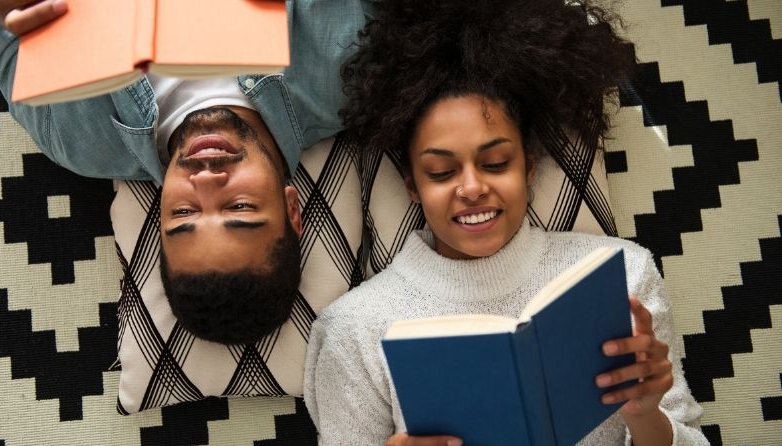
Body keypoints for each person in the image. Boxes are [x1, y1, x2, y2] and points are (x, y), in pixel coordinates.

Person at [304, 0, 710, 445]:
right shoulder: (355, 331)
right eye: (441, 172)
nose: (472, 187)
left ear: (529, 169)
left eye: (496, 162)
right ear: (412, 186)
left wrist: (647, 415)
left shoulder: (622, 278)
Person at [0, 0, 375, 344]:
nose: (206, 180)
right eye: (239, 206)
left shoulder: (75, 137)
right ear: (291, 208)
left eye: (184, 215)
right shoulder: (352, 73)